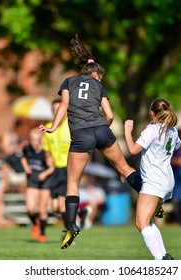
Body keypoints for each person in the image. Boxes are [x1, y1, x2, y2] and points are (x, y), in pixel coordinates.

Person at [39, 34, 142, 249]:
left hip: (81, 135)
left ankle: (70, 226)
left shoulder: (69, 82)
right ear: (94, 73)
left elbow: (63, 106)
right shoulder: (98, 86)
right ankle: (151, 198)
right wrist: (103, 124)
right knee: (124, 167)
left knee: (72, 184)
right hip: (101, 130)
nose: (101, 79)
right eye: (100, 76)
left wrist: (52, 127)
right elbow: (110, 115)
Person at [124, 98, 181, 260]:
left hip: (154, 182)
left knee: (141, 223)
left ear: (151, 113)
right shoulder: (173, 130)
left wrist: (128, 132)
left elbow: (133, 150)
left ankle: (161, 260)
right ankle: (164, 256)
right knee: (148, 222)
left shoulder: (152, 129)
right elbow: (176, 145)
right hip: (166, 181)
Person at [21, 129, 55, 243]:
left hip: (44, 181)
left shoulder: (45, 152)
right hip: (32, 180)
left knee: (42, 210)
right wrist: (26, 167)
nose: (34, 142)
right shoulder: (27, 148)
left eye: (36, 140)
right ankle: (35, 223)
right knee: (30, 208)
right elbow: (23, 158)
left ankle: (43, 234)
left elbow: (52, 168)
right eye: (32, 140)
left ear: (40, 140)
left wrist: (44, 174)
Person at [42, 99, 70, 227]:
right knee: (54, 208)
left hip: (67, 168)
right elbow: (46, 149)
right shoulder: (48, 127)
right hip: (54, 170)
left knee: (62, 205)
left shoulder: (71, 126)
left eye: (58, 109)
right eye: (54, 110)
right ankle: (80, 214)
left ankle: (69, 232)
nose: (56, 112)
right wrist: (48, 157)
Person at [1, 119, 27, 193]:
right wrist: (17, 147)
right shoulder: (8, 135)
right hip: (11, 164)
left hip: (20, 166)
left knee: (25, 184)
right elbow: (5, 149)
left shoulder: (24, 136)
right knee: (5, 171)